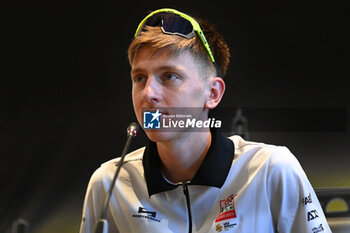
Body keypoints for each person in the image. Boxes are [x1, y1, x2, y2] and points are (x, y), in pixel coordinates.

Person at [79, 8, 332, 233]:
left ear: (212, 94)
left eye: (169, 76)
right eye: (140, 78)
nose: (148, 94)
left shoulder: (272, 169)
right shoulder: (108, 183)